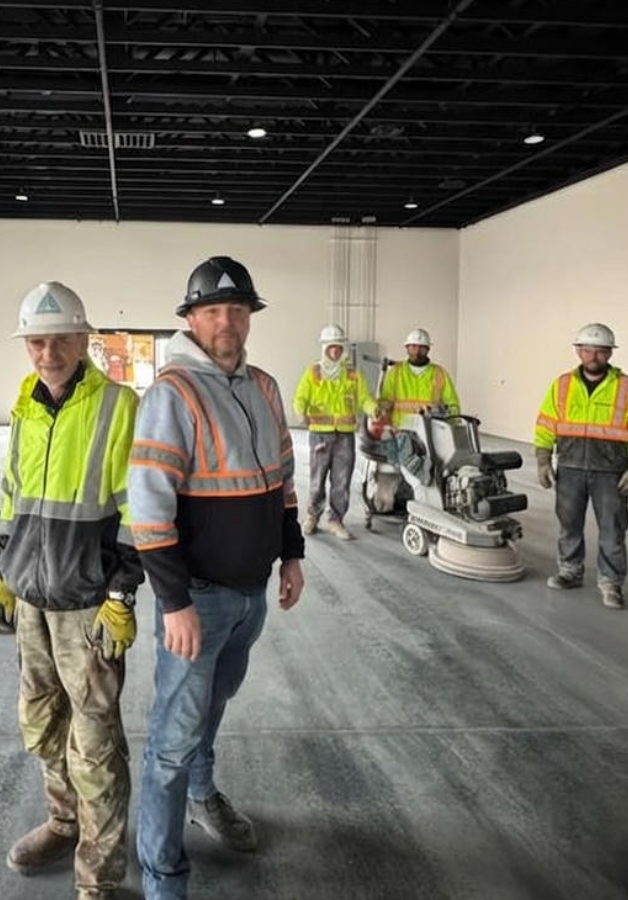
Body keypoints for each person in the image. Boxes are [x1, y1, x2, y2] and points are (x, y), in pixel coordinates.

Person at [127, 256, 305, 900]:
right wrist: (173, 601)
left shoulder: (263, 385)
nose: (226, 321)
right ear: (192, 319)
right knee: (171, 740)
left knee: (213, 707)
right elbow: (148, 506)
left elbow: (281, 480)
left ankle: (203, 796)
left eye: (237, 310)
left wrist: (292, 555)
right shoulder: (172, 392)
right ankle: (162, 875)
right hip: (197, 599)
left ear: (249, 317)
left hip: (251, 592)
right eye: (213, 310)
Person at [0, 282, 143, 900]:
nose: (47, 352)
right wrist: (3, 572)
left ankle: (99, 879)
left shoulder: (117, 405)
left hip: (87, 604)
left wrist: (123, 592)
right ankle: (62, 821)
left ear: (85, 340)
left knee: (96, 743)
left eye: (60, 339)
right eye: (37, 341)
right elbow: (13, 497)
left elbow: (140, 510)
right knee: (44, 723)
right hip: (31, 598)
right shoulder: (25, 403)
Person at [534, 323, 628, 610]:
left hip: (611, 472)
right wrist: (543, 459)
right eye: (587, 349)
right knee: (569, 524)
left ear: (609, 353)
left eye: (600, 351)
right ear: (578, 351)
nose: (593, 356)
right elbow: (545, 424)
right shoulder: (562, 385)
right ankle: (570, 571)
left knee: (612, 529)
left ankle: (611, 582)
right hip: (570, 468)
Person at [293, 324, 384, 539]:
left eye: (338, 347)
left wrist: (374, 409)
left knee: (342, 480)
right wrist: (300, 412)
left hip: (344, 435)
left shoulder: (352, 374)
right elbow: (300, 397)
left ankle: (335, 519)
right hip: (320, 434)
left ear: (343, 349)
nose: (334, 352)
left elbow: (364, 398)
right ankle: (312, 516)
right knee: (317, 478)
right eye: (330, 347)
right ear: (324, 348)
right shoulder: (313, 373)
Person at [379, 327, 460, 426]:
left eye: (422, 348)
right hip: (399, 431)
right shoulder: (395, 372)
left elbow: (454, 408)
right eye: (413, 347)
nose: (417, 352)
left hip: (430, 434)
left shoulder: (440, 374)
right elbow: (384, 403)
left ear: (428, 349)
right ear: (407, 348)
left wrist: (442, 415)